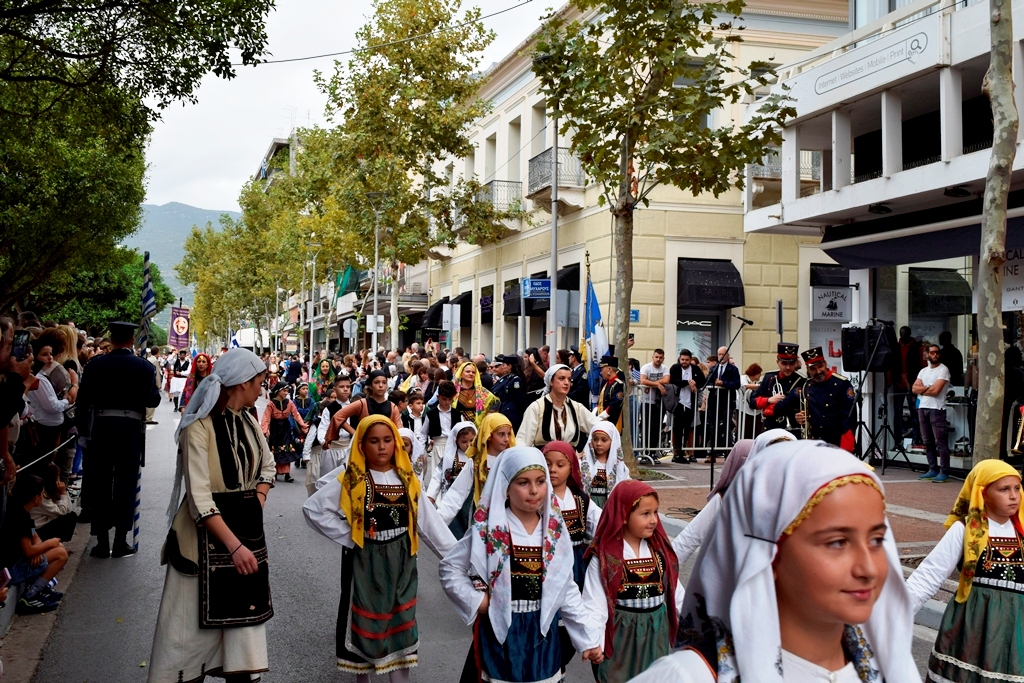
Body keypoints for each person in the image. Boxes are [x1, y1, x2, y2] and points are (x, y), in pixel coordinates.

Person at [633, 440, 919, 683]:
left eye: (877, 540)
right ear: (766, 554)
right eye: (837, 543)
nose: (868, 569)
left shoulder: (889, 664)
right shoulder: (690, 677)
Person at [148, 348, 275, 683]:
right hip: (199, 547)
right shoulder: (198, 427)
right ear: (242, 383)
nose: (262, 390)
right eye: (259, 382)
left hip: (246, 535)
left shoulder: (248, 419)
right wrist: (234, 545)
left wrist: (253, 504)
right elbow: (199, 500)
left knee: (241, 648)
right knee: (186, 645)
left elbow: (268, 466)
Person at [302, 416, 455, 680]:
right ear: (361, 445)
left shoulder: (407, 479)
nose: (382, 447)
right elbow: (314, 510)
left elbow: (431, 526)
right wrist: (353, 536)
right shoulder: (351, 478)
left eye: (387, 440)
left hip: (404, 561)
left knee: (402, 624)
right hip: (367, 562)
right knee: (367, 623)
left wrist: (463, 564)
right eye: (374, 441)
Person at [438, 447, 604, 683]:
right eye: (523, 483)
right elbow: (449, 568)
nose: (534, 490)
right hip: (501, 635)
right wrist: (478, 601)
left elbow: (565, 589)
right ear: (505, 487)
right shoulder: (488, 530)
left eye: (540, 481)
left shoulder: (554, 532)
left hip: (543, 637)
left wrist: (588, 639)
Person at [905, 459, 1024, 683]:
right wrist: (892, 620)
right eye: (1003, 489)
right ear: (983, 493)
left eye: (1017, 488)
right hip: (971, 627)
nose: (1013, 496)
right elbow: (928, 577)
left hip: (1016, 629)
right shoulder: (964, 530)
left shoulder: (1022, 532)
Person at [75, 321, 161, 558]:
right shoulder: (143, 367)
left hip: (101, 430)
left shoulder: (95, 365)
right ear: (131, 340)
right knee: (125, 484)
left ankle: (102, 543)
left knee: (100, 484)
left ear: (111, 341)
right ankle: (121, 541)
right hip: (129, 431)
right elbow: (152, 401)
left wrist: (83, 432)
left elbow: (82, 403)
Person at [582, 480, 678, 683]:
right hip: (620, 638)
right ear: (623, 515)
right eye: (645, 514)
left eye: (655, 512)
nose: (653, 520)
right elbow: (595, 605)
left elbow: (675, 592)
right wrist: (594, 641)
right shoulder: (605, 558)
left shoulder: (659, 552)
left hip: (655, 634)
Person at [437, 414, 516, 539]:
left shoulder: (512, 461)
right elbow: (457, 493)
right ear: (489, 435)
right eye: (501, 434)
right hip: (483, 520)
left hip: (509, 518)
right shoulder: (476, 463)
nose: (506, 439)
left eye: (509, 434)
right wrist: (437, 521)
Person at [0, 474, 68, 615]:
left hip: (16, 562)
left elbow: (34, 537)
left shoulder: (18, 510)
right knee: (60, 553)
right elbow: (28, 551)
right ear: (35, 497)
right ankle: (31, 595)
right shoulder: (20, 517)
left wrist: (38, 549)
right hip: (14, 569)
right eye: (42, 493)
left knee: (58, 548)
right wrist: (49, 543)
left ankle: (40, 588)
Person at [541, 441, 600, 589]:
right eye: (547, 464)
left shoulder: (581, 499)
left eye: (560, 465)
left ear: (571, 468)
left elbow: (601, 524)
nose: (552, 470)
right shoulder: (537, 499)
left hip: (576, 563)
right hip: (548, 562)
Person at [778, 347, 856, 451]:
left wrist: (846, 447)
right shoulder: (807, 385)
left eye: (820, 366)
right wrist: (799, 418)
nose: (818, 371)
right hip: (813, 443)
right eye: (813, 369)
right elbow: (799, 411)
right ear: (808, 369)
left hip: (836, 442)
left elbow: (850, 418)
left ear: (825, 364)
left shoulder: (841, 384)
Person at [326, 370, 402, 441]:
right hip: (364, 447)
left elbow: (400, 429)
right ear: (371, 386)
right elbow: (338, 417)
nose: (381, 385)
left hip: (386, 448)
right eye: (376, 382)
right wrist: (355, 434)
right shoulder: (362, 404)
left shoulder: (393, 407)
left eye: (384, 382)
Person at [914, 343, 952, 482]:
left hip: (937, 409)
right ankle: (932, 469)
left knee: (940, 441)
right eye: (932, 352)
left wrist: (923, 389)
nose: (935, 354)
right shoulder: (923, 371)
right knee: (927, 441)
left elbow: (936, 391)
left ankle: (944, 471)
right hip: (923, 407)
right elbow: (914, 388)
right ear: (927, 354)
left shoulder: (943, 370)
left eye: (937, 352)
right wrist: (928, 388)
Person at [749, 343, 804, 437]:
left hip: (792, 430)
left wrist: (769, 409)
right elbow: (752, 401)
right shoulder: (769, 377)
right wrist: (769, 400)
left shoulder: (801, 381)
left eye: (791, 364)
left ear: (796, 363)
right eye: (784, 363)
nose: (788, 367)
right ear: (777, 362)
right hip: (770, 428)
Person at [260, 382, 307, 483]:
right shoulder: (271, 404)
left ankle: (287, 474)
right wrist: (265, 430)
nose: (286, 393)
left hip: (286, 429)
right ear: (278, 391)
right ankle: (275, 472)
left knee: (287, 449)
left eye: (287, 391)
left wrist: (302, 425)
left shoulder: (289, 403)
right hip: (275, 429)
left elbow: (296, 414)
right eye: (284, 391)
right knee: (275, 449)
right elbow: (266, 418)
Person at [314, 376, 353, 493]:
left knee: (346, 479)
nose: (345, 389)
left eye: (348, 387)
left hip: (348, 447)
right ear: (335, 389)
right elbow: (322, 427)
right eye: (342, 387)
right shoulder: (329, 409)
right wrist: (323, 441)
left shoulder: (355, 407)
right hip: (331, 448)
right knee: (328, 481)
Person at [425, 421, 477, 505]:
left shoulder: (478, 457)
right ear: (456, 441)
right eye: (464, 442)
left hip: (472, 501)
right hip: (452, 501)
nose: (469, 445)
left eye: (472, 440)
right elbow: (438, 476)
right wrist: (431, 497)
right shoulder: (450, 458)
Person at [580, 421, 630, 508]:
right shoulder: (583, 463)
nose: (599, 443)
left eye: (604, 440)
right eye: (595, 439)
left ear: (612, 441)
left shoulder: (619, 467)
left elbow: (626, 485)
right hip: (588, 507)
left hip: (608, 507)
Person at [669, 349, 706, 463]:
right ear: (679, 359)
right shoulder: (675, 368)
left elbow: (702, 381)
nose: (684, 362)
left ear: (690, 360)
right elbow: (674, 380)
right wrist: (688, 382)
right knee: (677, 428)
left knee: (689, 427)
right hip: (678, 402)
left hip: (691, 403)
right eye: (682, 359)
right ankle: (677, 453)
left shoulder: (695, 369)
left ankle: (687, 453)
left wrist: (694, 382)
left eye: (686, 360)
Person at [703, 346, 740, 463]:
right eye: (719, 354)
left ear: (727, 355)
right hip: (714, 401)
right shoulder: (714, 368)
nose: (721, 357)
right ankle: (712, 453)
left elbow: (736, 384)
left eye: (723, 354)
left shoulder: (733, 369)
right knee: (713, 427)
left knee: (727, 427)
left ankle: (727, 454)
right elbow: (707, 381)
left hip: (727, 402)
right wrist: (715, 383)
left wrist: (723, 383)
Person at [893, 325, 924, 447]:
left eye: (905, 333)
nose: (903, 336)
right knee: (897, 413)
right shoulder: (896, 347)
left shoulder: (917, 347)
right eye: (901, 334)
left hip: (912, 383)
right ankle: (897, 440)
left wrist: (917, 381)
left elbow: (921, 365)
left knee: (914, 412)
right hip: (899, 383)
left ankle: (917, 438)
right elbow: (892, 365)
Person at [32, 463, 77, 542]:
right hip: (36, 530)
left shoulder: (47, 492)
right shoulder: (42, 496)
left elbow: (67, 509)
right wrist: (63, 494)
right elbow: (62, 511)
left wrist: (63, 493)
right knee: (69, 517)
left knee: (70, 515)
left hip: (40, 525)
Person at [639, 349, 671, 454]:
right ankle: (645, 452)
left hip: (659, 403)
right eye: (656, 357)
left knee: (656, 428)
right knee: (646, 427)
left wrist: (652, 383)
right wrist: (657, 384)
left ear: (663, 358)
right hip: (646, 402)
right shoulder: (646, 367)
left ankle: (652, 452)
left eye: (661, 357)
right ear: (653, 357)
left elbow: (666, 380)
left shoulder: (665, 368)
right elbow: (642, 380)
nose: (658, 359)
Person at [452, 361, 499, 428]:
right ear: (461, 373)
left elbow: (496, 401)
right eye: (468, 371)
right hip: (457, 426)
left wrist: (490, 413)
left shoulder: (481, 391)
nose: (471, 374)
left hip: (476, 428)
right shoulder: (453, 390)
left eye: (473, 372)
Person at [490, 355, 528, 432]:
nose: (502, 367)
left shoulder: (516, 380)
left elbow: (519, 400)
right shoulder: (508, 378)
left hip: (512, 414)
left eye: (504, 365)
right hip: (505, 411)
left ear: (510, 366)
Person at [292, 382, 319, 470]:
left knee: (307, 440)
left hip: (308, 423)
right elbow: (294, 412)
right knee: (297, 440)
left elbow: (313, 411)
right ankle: (297, 458)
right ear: (298, 390)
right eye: (303, 389)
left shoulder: (311, 400)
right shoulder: (295, 401)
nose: (305, 391)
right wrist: (298, 423)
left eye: (307, 389)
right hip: (297, 423)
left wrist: (309, 422)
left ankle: (304, 460)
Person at [596, 355, 625, 432]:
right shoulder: (607, 383)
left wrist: (599, 418)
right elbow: (600, 403)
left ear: (609, 369)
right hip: (603, 422)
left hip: (612, 422)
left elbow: (613, 406)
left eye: (602, 369)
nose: (601, 373)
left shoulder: (618, 384)